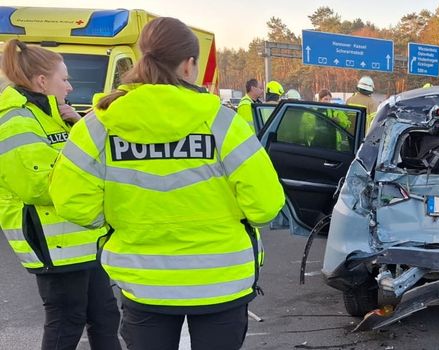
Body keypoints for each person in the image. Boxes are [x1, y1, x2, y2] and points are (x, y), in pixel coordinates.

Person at [48, 17, 285, 350]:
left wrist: (123, 220)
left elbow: (72, 203)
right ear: (188, 66)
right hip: (221, 283)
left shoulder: (98, 125)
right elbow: (266, 206)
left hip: (144, 283)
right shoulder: (222, 122)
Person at [0, 39, 121, 350]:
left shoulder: (55, 115)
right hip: (54, 243)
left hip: (83, 240)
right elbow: (40, 186)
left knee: (105, 317)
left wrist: (79, 127)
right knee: (66, 324)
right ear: (42, 81)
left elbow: (88, 162)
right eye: (64, 79)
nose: (69, 87)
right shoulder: (16, 122)